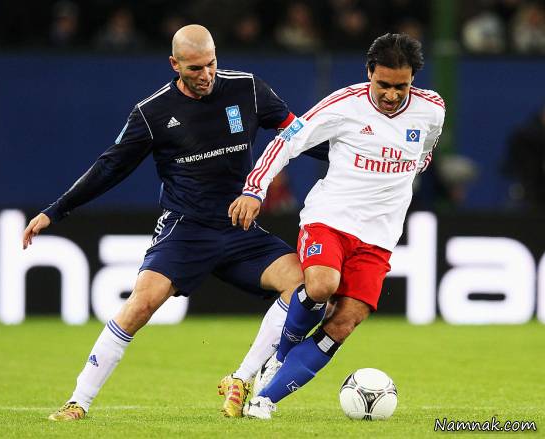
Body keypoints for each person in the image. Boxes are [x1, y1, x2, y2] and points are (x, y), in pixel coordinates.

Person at [22, 24, 327, 421]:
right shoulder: (152, 113)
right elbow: (110, 167)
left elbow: (299, 134)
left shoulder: (248, 89)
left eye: (211, 64)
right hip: (186, 229)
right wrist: (56, 210)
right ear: (174, 64)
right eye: (195, 68)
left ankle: (241, 377)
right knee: (141, 304)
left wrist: (358, 156)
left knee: (305, 287)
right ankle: (78, 401)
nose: (206, 75)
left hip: (238, 227)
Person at [229, 33, 445, 419]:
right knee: (321, 286)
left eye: (401, 87)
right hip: (330, 219)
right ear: (369, 72)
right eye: (384, 84)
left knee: (343, 323)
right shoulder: (344, 104)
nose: (392, 95)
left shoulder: (432, 109)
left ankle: (264, 400)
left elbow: (426, 151)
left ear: (413, 79)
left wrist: (406, 172)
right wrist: (254, 189)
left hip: (380, 237)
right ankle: (278, 358)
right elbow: (286, 142)